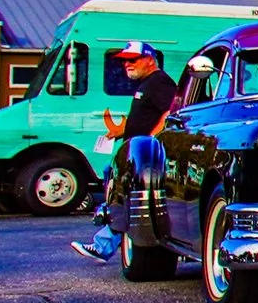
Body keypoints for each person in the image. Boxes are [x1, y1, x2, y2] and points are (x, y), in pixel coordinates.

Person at [71, 42, 179, 262]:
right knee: (116, 190)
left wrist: (151, 142)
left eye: (133, 60)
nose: (127, 64)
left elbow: (169, 113)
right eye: (125, 61)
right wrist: (121, 130)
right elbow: (145, 117)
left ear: (149, 59)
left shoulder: (159, 82)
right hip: (132, 154)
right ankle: (105, 233)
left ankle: (103, 244)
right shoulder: (146, 84)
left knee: (123, 197)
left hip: (145, 159)